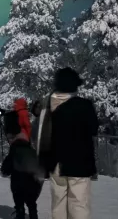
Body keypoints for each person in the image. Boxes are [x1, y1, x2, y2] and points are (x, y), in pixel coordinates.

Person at [37, 67, 99, 219]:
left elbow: (42, 135)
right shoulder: (85, 105)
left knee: (58, 203)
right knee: (79, 203)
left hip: (56, 163)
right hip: (81, 162)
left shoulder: (48, 105)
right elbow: (93, 129)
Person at [2, 109, 44, 219]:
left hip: (19, 183)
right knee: (31, 203)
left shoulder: (14, 150)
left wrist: (5, 170)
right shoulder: (31, 150)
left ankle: (20, 213)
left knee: (19, 199)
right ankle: (33, 216)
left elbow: (6, 168)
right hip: (33, 182)